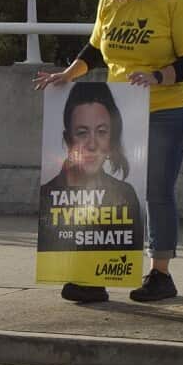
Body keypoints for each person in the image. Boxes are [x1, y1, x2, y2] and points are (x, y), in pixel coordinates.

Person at [35, 0, 183, 303]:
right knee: (105, 190)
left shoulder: (175, 4)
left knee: (156, 190)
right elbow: (96, 49)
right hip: (122, 111)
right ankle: (97, 274)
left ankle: (160, 274)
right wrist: (67, 75)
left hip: (167, 110)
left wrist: (157, 77)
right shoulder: (111, 1)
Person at [37, 83, 143, 267]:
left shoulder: (125, 195)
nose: (92, 145)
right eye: (82, 133)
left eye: (102, 132)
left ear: (111, 139)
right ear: (68, 140)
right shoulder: (48, 196)